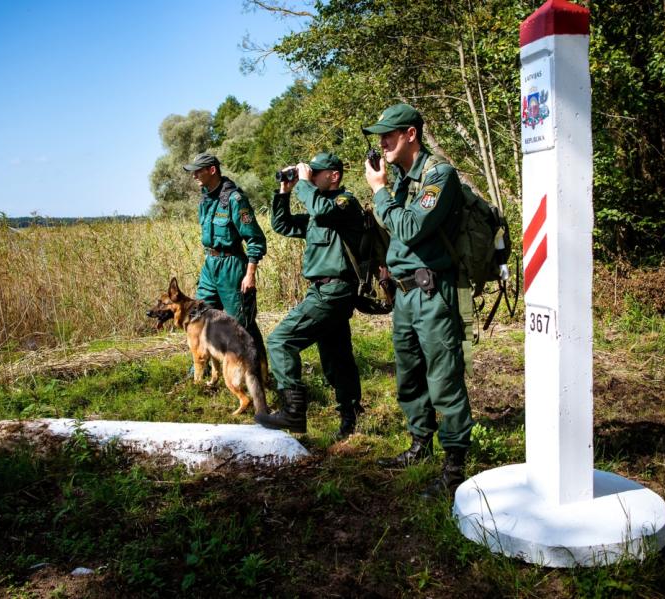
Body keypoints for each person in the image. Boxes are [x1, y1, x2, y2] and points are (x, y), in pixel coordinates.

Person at [362, 103, 474, 498]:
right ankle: (419, 445)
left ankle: (455, 464)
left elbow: (409, 227)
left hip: (432, 293)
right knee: (409, 377)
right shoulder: (404, 180)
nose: (382, 143)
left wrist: (378, 191)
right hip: (405, 296)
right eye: (380, 136)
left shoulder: (438, 175)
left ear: (411, 134)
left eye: (389, 134)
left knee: (443, 378)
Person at [255, 152, 364, 437]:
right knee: (336, 357)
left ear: (334, 176)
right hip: (323, 290)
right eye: (310, 173)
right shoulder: (319, 210)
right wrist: (284, 192)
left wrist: (304, 183)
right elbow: (283, 225)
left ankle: (293, 412)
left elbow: (324, 211)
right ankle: (351, 419)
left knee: (281, 340)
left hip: (335, 291)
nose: (312, 177)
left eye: (317, 173)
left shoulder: (344, 203)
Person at [182, 152, 268, 373]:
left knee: (240, 324)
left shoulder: (234, 199)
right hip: (210, 265)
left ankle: (258, 371)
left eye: (198, 170)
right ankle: (200, 373)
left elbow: (255, 239)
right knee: (197, 315)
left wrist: (250, 274)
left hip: (232, 266)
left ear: (212, 170)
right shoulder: (205, 200)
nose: (194, 176)